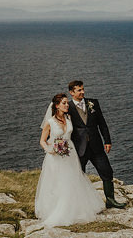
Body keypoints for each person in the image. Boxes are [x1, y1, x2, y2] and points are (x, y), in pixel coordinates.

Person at [35, 93, 105, 226]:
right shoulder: (50, 123)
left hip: (70, 153)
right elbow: (42, 141)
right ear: (57, 106)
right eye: (64, 103)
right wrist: (51, 150)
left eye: (67, 103)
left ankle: (76, 207)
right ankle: (60, 209)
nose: (67, 105)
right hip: (55, 157)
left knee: (72, 178)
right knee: (60, 181)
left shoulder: (69, 118)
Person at [67, 80, 126, 208]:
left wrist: (107, 140)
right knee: (79, 176)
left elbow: (102, 123)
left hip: (96, 146)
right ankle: (79, 203)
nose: (82, 92)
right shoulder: (68, 107)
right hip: (79, 148)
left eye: (83, 89)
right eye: (79, 90)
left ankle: (110, 200)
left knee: (107, 172)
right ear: (71, 92)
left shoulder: (93, 103)